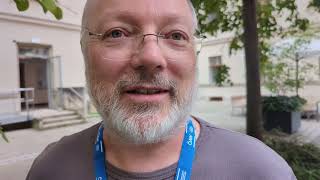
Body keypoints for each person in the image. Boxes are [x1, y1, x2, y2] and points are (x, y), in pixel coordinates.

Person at [26, 0, 296, 179]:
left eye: (176, 35)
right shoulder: (50, 170)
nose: (151, 57)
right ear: (85, 51)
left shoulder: (261, 171)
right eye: (117, 33)